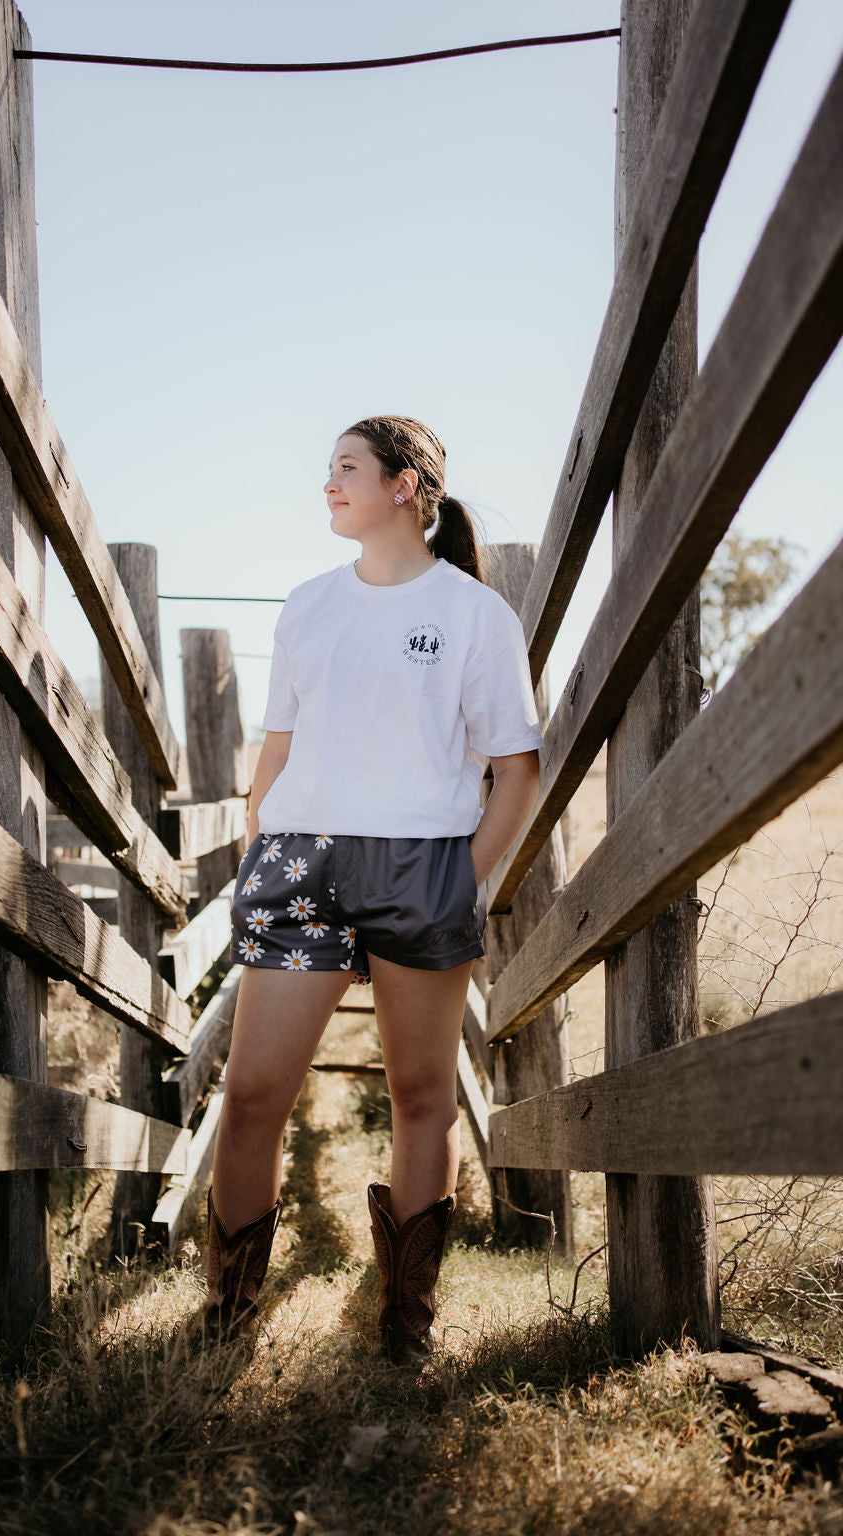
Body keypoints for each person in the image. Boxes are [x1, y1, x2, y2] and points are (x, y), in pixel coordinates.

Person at [205, 415, 542, 1361]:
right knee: (254, 1091)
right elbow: (275, 747)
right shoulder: (308, 605)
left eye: (346, 468)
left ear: (405, 488)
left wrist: (460, 881)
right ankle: (229, 1312)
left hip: (420, 865)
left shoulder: (477, 614)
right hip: (300, 863)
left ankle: (406, 1323)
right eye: (328, 470)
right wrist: (258, 838)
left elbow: (518, 769)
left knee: (419, 1092)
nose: (329, 483)